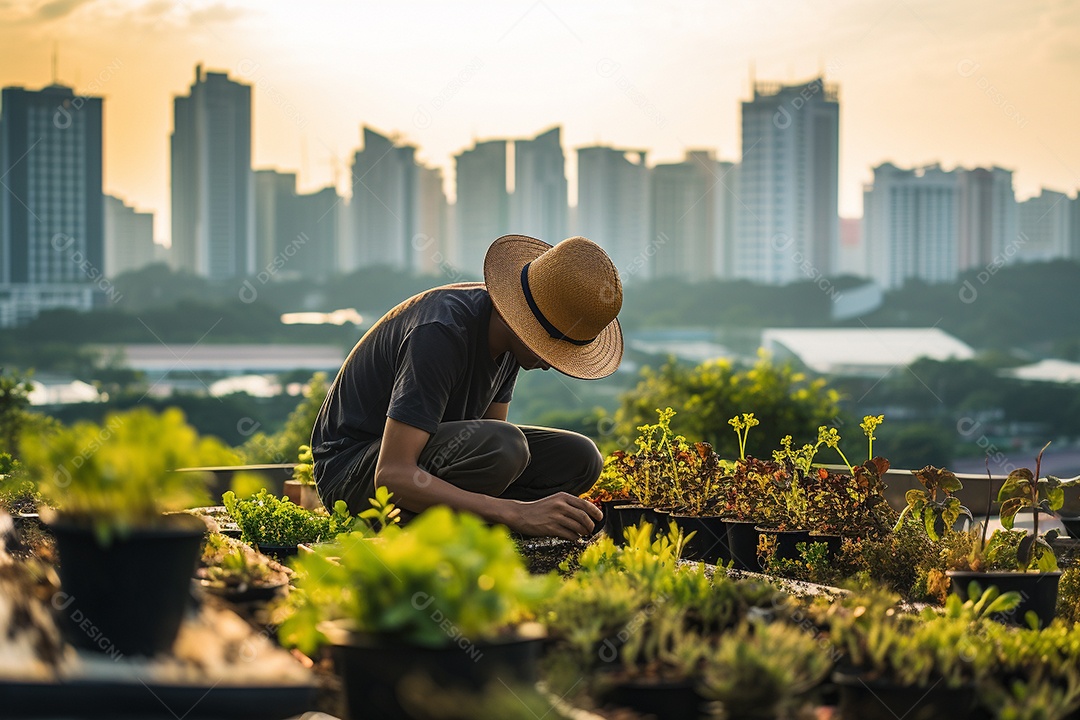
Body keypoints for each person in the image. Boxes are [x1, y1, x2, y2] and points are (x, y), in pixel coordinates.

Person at [310, 235, 623, 540]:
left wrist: (515, 507)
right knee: (505, 446)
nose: (553, 363)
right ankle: (427, 526)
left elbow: (491, 458)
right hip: (353, 475)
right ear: (523, 321)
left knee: (581, 458)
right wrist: (515, 512)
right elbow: (391, 475)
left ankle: (454, 520)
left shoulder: (509, 343)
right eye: (552, 346)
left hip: (425, 461)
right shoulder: (439, 333)